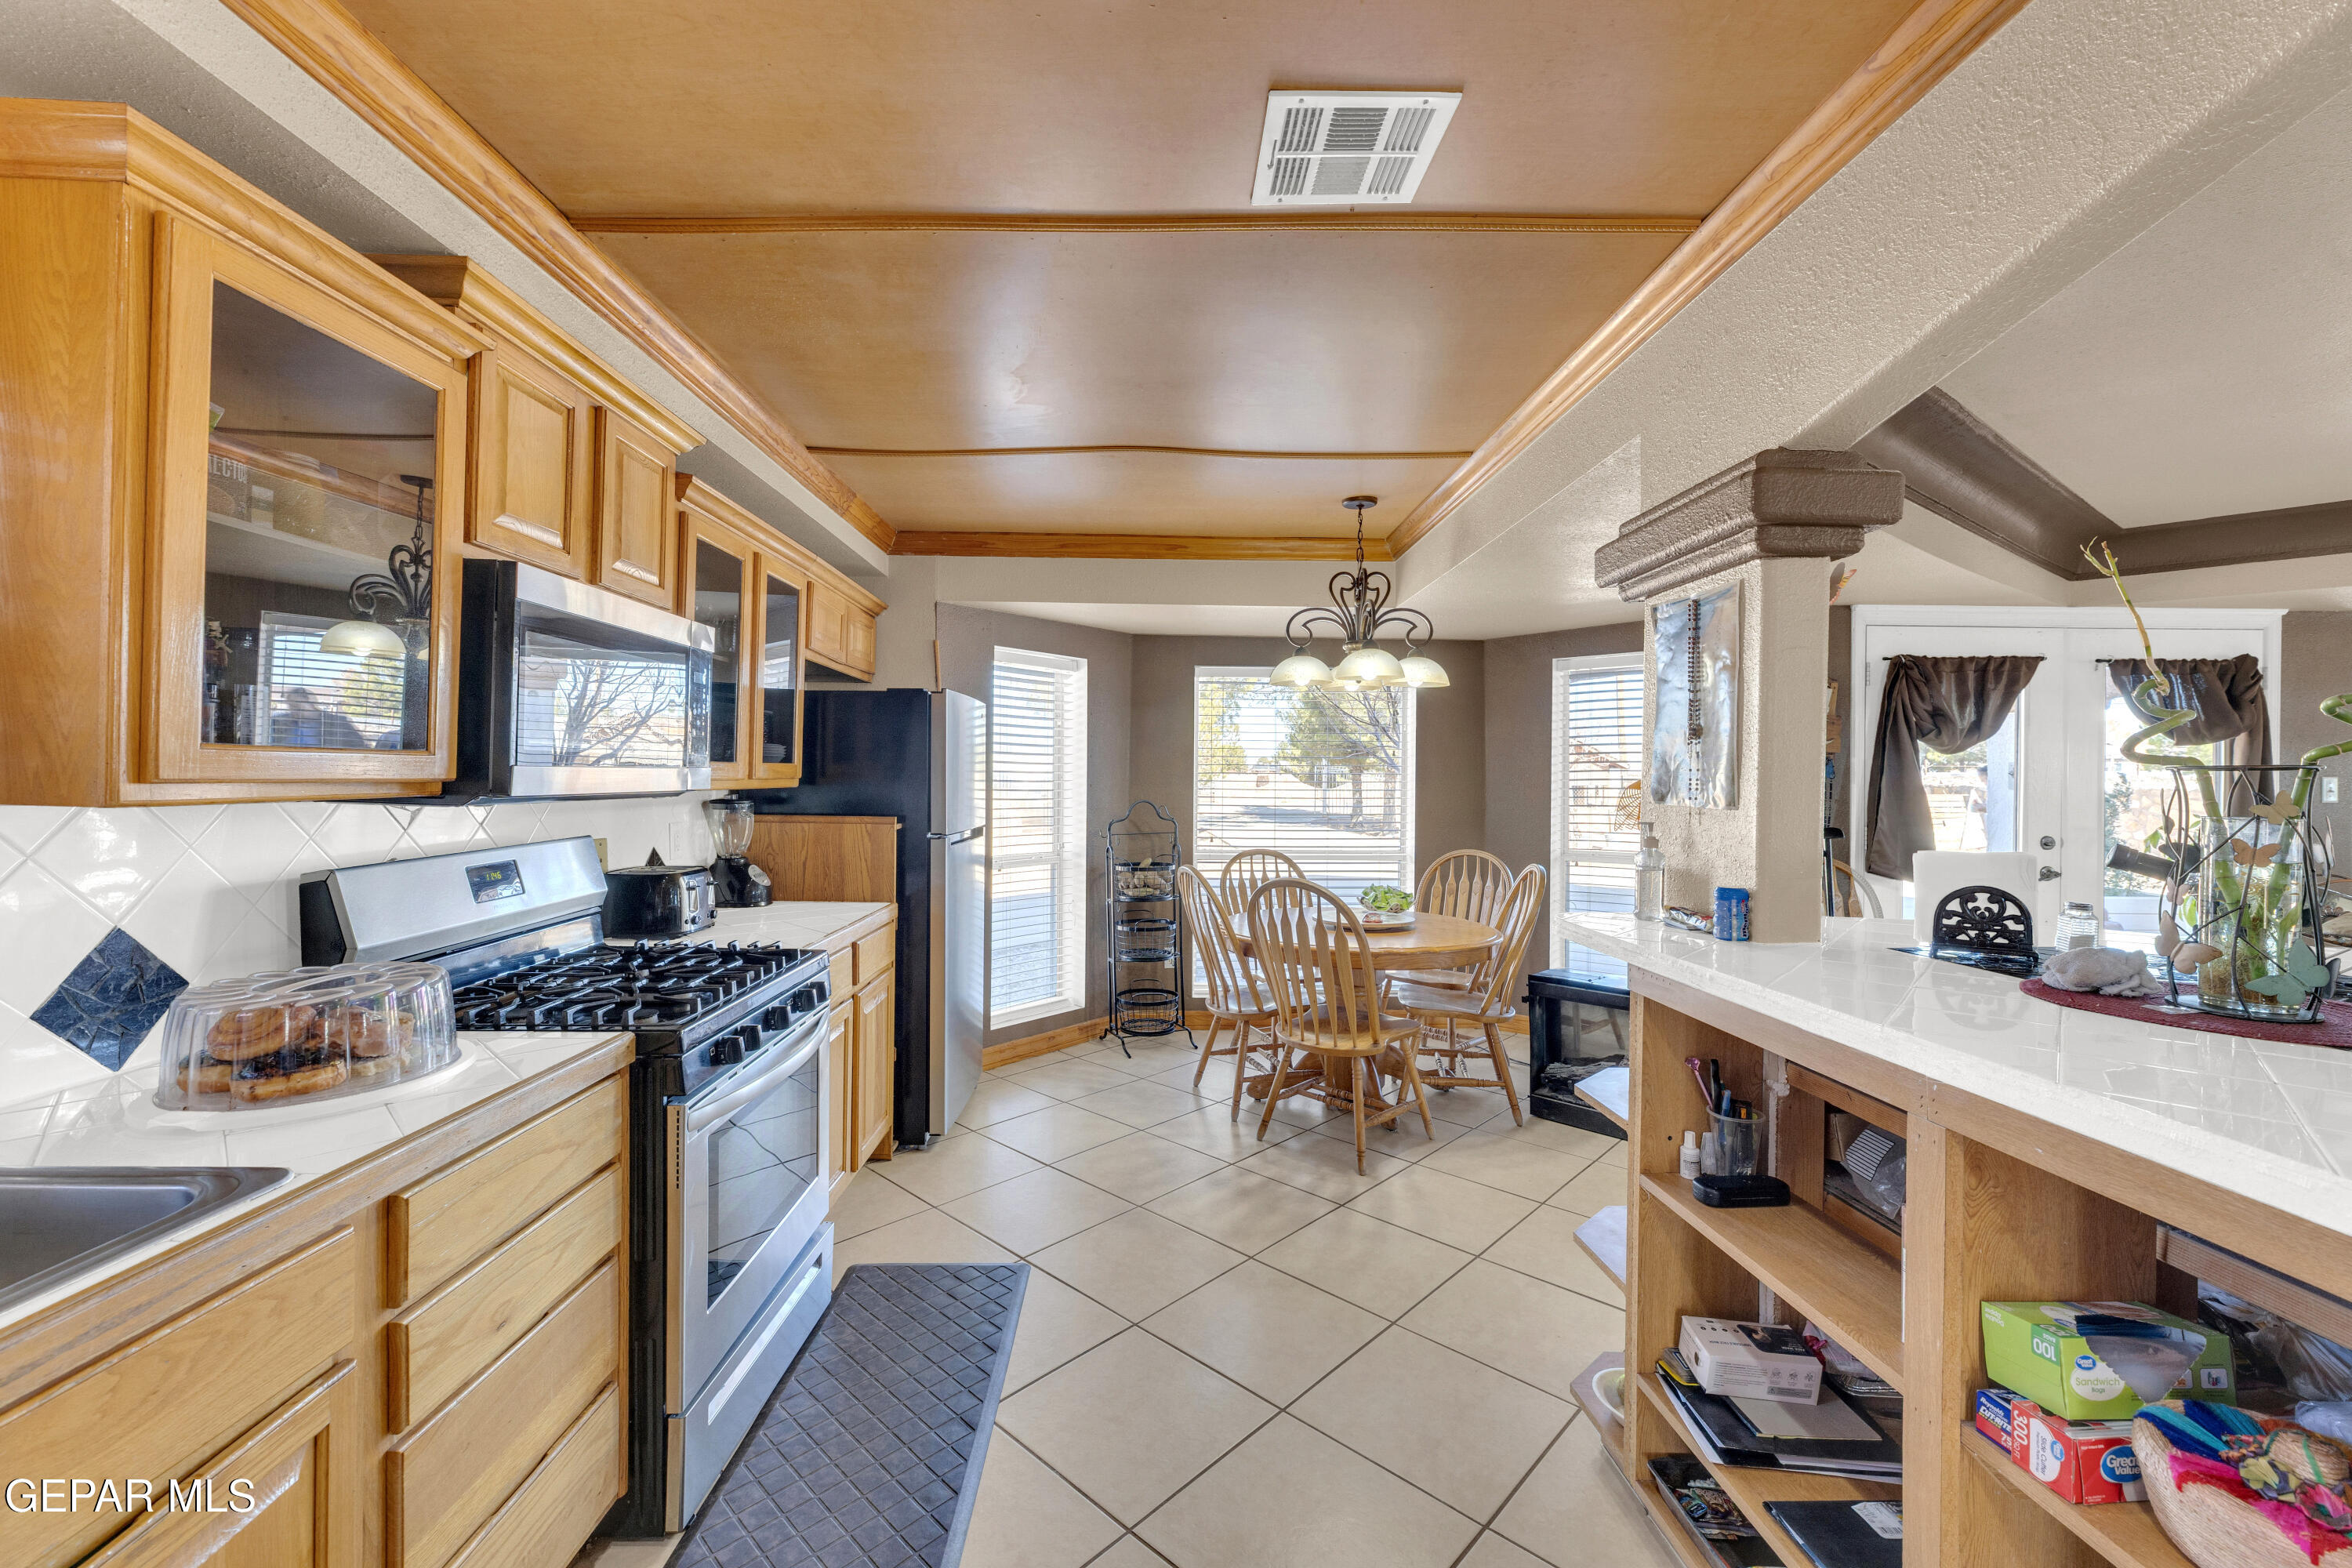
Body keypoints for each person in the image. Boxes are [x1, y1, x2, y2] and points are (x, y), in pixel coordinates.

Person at [277, 687, 365, 750]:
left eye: (296, 706)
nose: (293, 712)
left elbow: (360, 749)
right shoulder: (285, 724)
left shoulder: (337, 724)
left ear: (310, 702)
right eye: (291, 707)